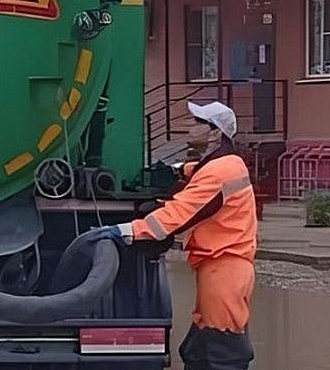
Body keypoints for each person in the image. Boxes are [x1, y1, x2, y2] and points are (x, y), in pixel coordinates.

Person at [91, 101, 256, 369]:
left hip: (224, 267)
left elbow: (180, 214)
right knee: (200, 345)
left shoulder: (221, 171)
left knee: (221, 349)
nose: (190, 125)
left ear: (215, 132)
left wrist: (127, 230)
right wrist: (177, 169)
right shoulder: (224, 164)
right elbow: (199, 172)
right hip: (221, 266)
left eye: (198, 122)